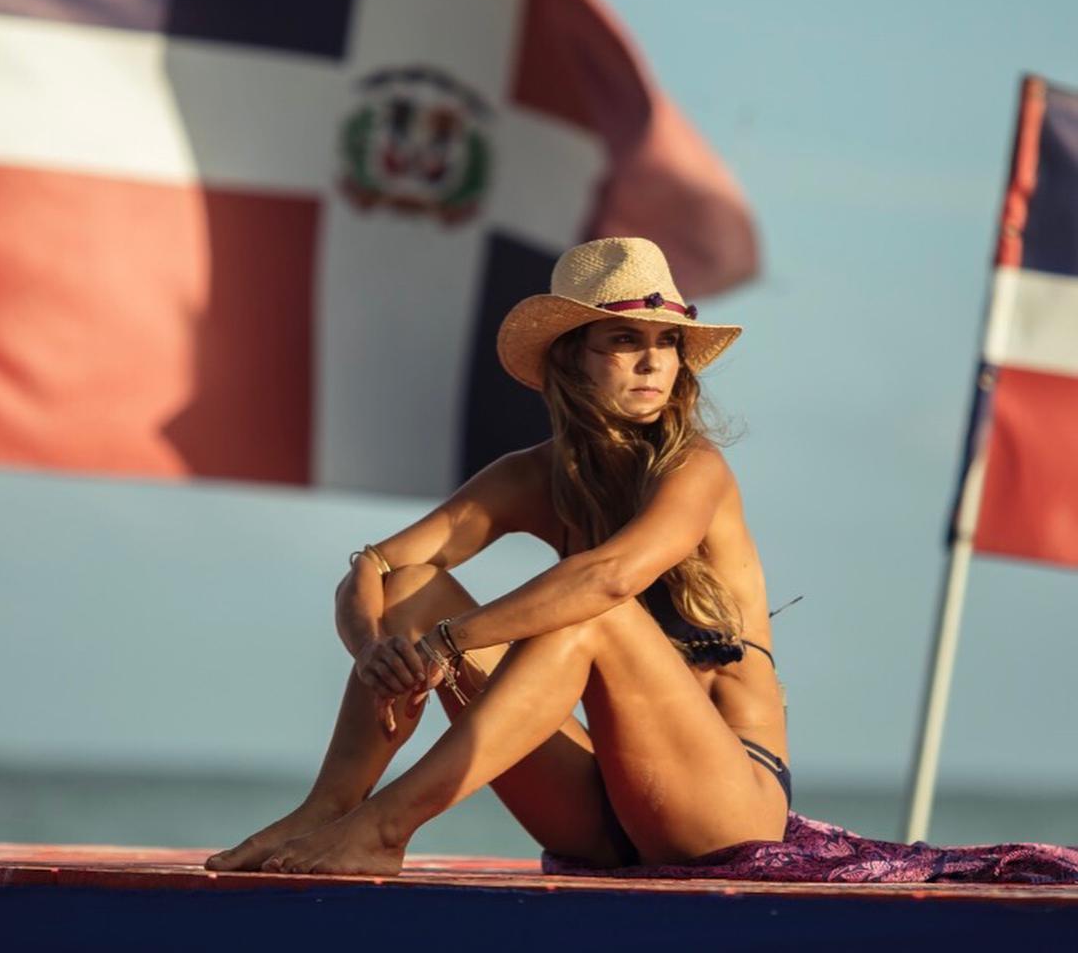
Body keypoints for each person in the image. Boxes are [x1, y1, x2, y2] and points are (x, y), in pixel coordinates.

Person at [205, 236, 791, 877]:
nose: (652, 362)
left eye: (667, 343)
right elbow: (373, 568)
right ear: (571, 358)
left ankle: (385, 828)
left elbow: (609, 578)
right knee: (410, 590)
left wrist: (448, 642)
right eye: (625, 341)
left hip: (727, 810)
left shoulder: (694, 468)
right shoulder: (531, 476)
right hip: (604, 809)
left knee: (596, 611)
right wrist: (372, 648)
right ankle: (329, 808)